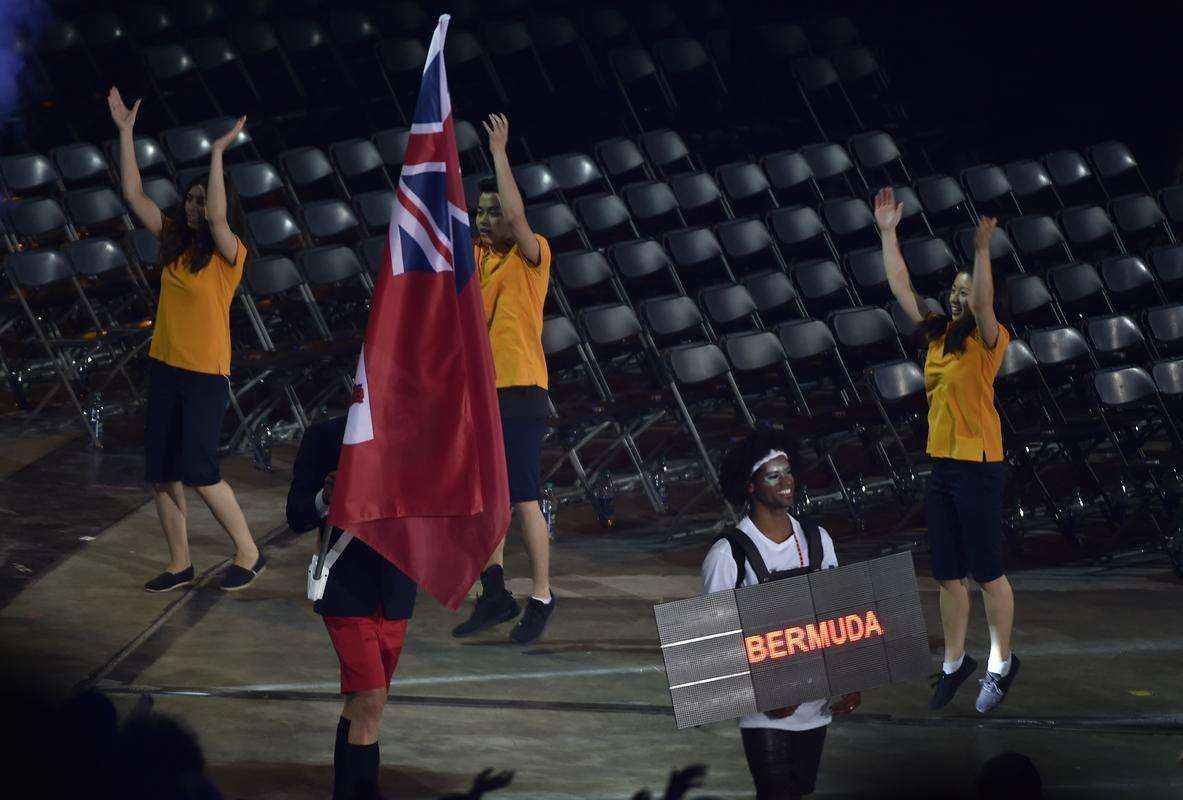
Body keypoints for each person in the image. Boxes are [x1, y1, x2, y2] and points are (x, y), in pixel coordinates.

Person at [109, 87, 264, 593]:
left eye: (204, 199)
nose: (197, 207)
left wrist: (217, 154)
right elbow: (134, 195)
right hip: (165, 367)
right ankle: (181, 562)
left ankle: (249, 550)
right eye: (192, 200)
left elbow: (220, 217)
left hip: (204, 374)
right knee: (162, 472)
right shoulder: (174, 242)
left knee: (199, 470)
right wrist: (126, 133)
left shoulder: (229, 254)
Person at [875, 187, 1019, 714]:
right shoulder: (938, 337)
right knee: (946, 574)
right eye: (955, 291)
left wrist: (982, 253)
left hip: (979, 466)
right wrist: (888, 233)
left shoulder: (989, 337)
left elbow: (983, 301)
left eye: (967, 292)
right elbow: (901, 288)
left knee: (986, 573)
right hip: (942, 466)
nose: (961, 297)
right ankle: (955, 664)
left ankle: (1001, 663)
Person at [702, 430, 860, 800]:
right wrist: (762, 696)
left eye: (788, 473)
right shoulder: (729, 554)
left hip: (818, 708)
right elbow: (712, 641)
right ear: (751, 487)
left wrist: (852, 675)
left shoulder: (818, 538)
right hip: (765, 716)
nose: (787, 482)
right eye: (774, 475)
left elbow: (837, 614)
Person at [452, 113, 556, 645]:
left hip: (520, 390)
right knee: (483, 499)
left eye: (495, 210)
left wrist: (498, 154)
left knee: (522, 499)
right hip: (479, 394)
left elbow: (516, 216)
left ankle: (541, 595)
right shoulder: (473, 258)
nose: (489, 217)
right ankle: (494, 592)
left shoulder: (531, 254)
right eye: (482, 210)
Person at [287, 415, 418, 800]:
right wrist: (326, 498)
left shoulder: (417, 435)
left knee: (365, 702)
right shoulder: (327, 435)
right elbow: (296, 513)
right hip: (346, 584)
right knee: (371, 697)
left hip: (397, 587)